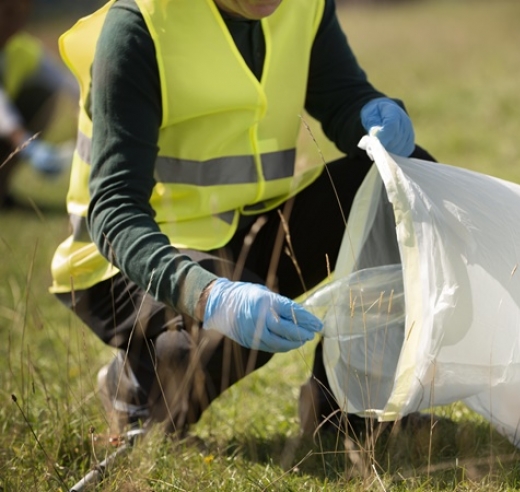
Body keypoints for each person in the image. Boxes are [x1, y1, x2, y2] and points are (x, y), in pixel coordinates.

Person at [50, 0, 435, 438]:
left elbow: (342, 97)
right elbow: (115, 212)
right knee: (218, 341)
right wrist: (209, 295)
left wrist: (369, 112)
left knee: (402, 184)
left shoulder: (304, 6)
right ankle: (133, 386)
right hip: (124, 261)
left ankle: (346, 412)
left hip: (241, 230)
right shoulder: (139, 26)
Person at [0, 0, 76, 208]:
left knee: (42, 93)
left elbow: (67, 83)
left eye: (22, 15)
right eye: (8, 13)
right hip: (5, 126)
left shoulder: (22, 49)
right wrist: (25, 143)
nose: (15, 23)